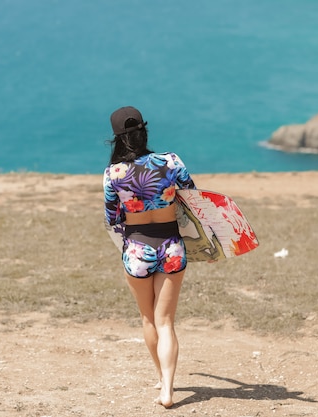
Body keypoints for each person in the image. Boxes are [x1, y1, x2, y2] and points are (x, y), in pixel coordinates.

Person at [103, 106, 197, 408]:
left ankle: (160, 377)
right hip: (171, 246)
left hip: (136, 251)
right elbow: (193, 197)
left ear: (117, 140)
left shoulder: (113, 174)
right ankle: (168, 389)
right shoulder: (171, 162)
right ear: (144, 132)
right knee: (166, 320)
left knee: (148, 319)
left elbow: (113, 218)